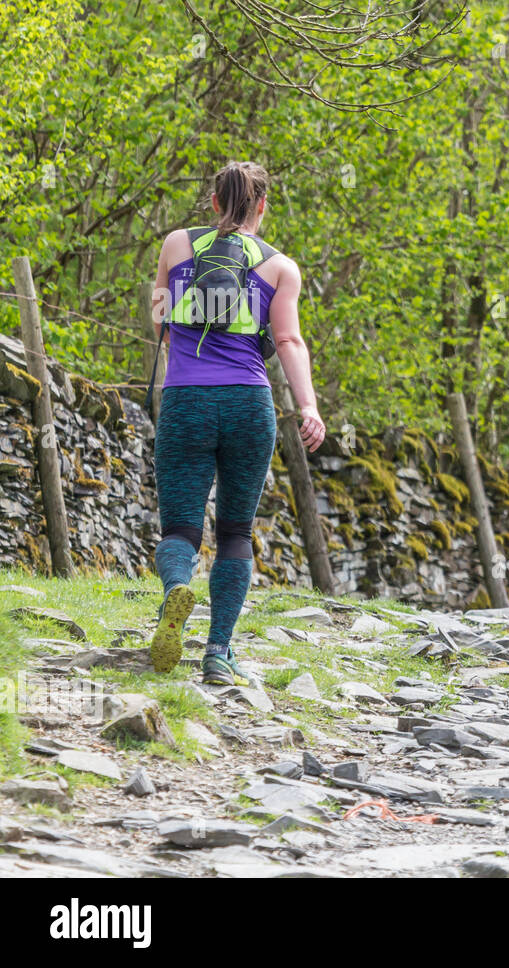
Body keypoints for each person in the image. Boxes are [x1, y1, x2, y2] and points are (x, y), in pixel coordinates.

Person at [148, 161, 325, 685]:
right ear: (262, 206)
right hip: (250, 403)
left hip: (185, 399)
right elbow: (289, 341)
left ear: (214, 202)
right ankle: (219, 652)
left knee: (180, 525)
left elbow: (159, 320)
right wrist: (309, 407)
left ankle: (176, 589)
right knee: (234, 532)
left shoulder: (176, 245)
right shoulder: (280, 268)